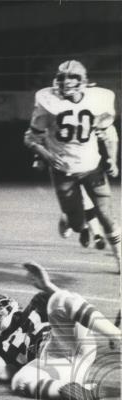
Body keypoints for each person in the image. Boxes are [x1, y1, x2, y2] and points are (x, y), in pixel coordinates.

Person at [0, 262, 120, 400]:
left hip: (63, 344)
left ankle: (116, 335)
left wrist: (48, 287)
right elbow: (3, 372)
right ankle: (74, 390)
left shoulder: (35, 304)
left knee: (59, 299)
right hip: (55, 367)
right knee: (19, 380)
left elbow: (65, 308)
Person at [24, 60, 120, 270]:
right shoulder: (48, 101)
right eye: (61, 77)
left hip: (92, 166)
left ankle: (119, 257)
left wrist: (112, 158)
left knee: (106, 217)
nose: (65, 82)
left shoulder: (97, 100)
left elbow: (109, 133)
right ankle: (68, 218)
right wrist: (45, 155)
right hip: (63, 170)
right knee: (78, 225)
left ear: (82, 81)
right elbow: (31, 138)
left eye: (71, 78)